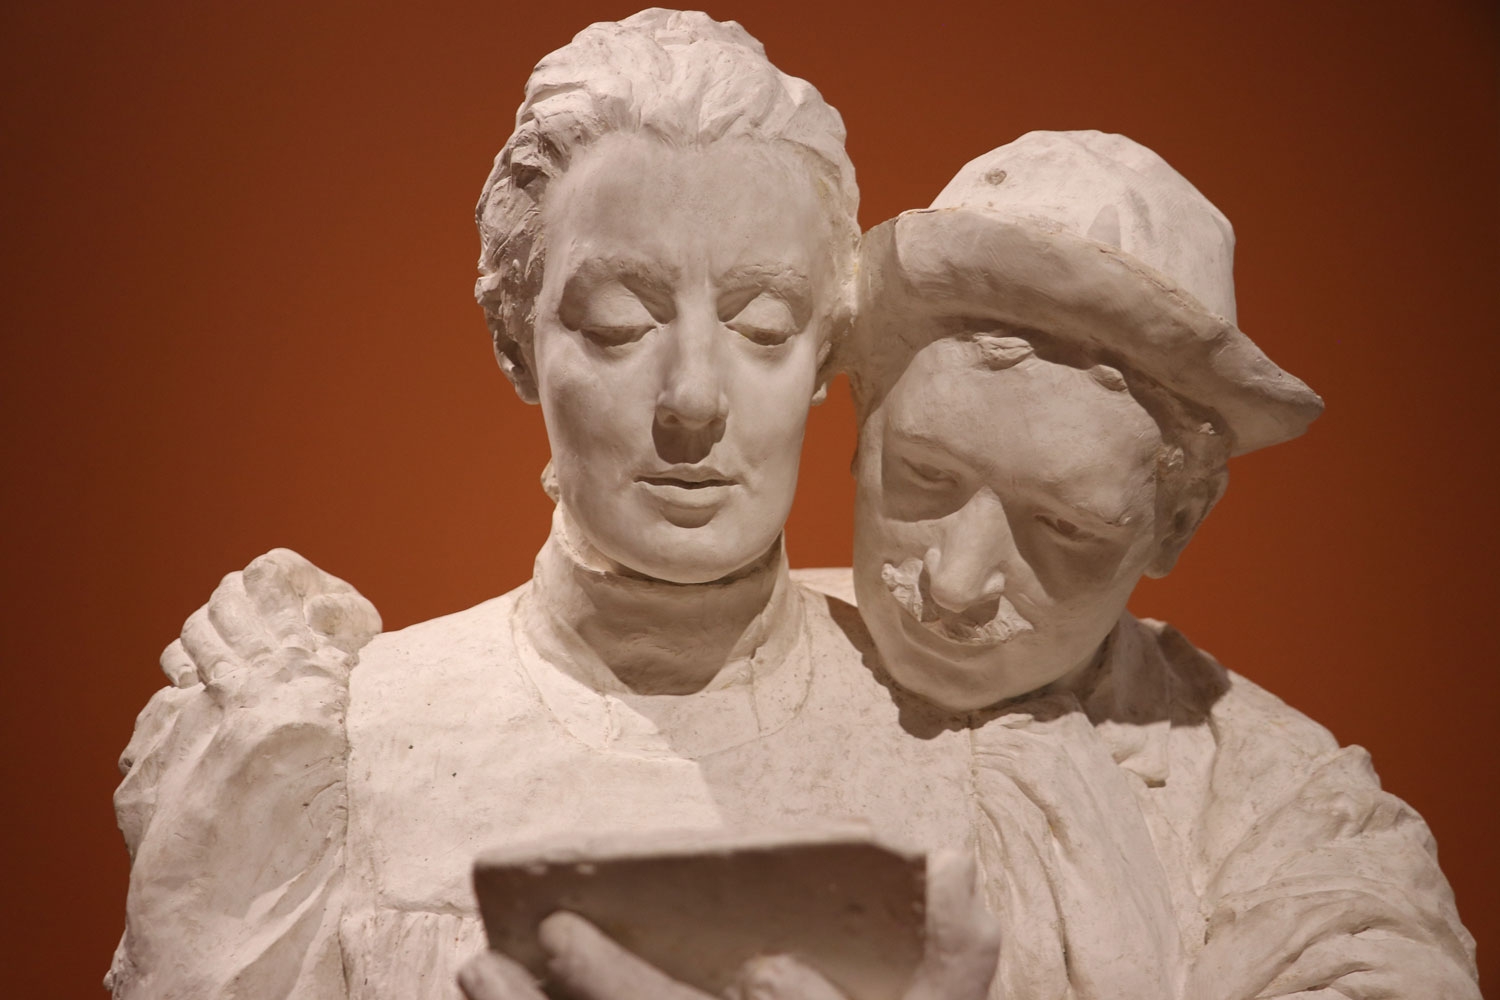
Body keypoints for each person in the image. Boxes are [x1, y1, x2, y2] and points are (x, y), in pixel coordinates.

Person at [107, 12, 996, 1000]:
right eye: (617, 322)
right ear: (515, 342)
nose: (693, 396)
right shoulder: (334, 753)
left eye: (762, 325)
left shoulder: (973, 749)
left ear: (826, 352)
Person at [843, 129, 1480, 998]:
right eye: (924, 474)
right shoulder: (699, 668)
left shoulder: (1285, 805)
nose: (954, 584)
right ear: (863, 422)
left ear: (1175, 524)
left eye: (1062, 526)